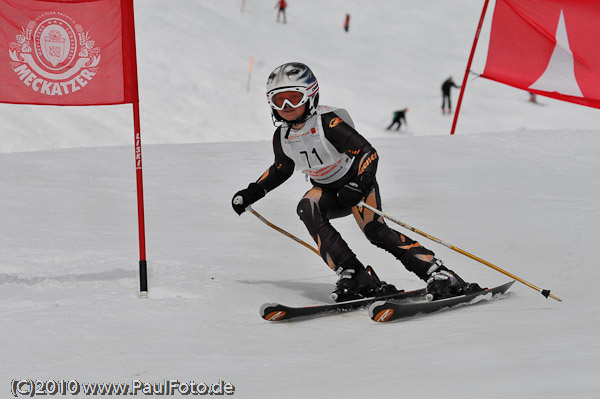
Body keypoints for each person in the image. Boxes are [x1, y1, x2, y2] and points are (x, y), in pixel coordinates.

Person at [231, 62, 481, 302]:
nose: (286, 105)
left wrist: (359, 185)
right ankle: (354, 274)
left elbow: (367, 153)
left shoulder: (327, 123)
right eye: (278, 100)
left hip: (357, 184)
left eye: (294, 98)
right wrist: (252, 193)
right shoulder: (283, 136)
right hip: (329, 191)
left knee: (376, 232)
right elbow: (280, 169)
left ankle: (438, 273)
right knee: (307, 206)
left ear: (310, 96)